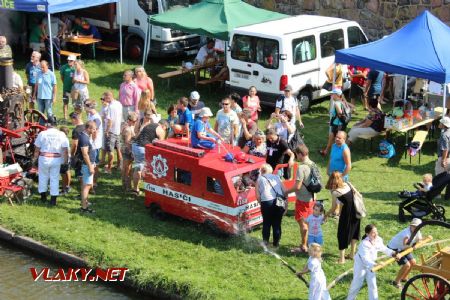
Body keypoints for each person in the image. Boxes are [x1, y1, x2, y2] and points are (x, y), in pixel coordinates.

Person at [347, 224, 399, 300]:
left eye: (376, 231)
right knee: (357, 284)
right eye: (373, 233)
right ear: (367, 234)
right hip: (360, 264)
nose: (376, 234)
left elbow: (383, 248)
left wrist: (393, 253)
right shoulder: (364, 244)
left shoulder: (378, 239)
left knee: (373, 284)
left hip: (371, 264)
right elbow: (365, 259)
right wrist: (376, 264)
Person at [325, 171, 360, 264]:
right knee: (354, 232)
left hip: (346, 215)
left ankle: (342, 259)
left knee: (342, 235)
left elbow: (333, 208)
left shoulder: (335, 192)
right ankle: (352, 254)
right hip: (356, 212)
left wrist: (326, 215)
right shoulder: (347, 184)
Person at [33, 116, 69, 206]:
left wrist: (34, 159)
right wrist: (65, 161)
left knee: (43, 177)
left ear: (47, 123)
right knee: (55, 178)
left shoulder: (42, 133)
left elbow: (37, 149)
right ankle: (53, 200)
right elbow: (65, 150)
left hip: (44, 157)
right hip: (56, 159)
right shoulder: (61, 134)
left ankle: (43, 197)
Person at [288, 144, 318, 253]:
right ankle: (310, 244)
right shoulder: (313, 164)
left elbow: (297, 186)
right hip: (312, 198)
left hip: (302, 200)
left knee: (303, 225)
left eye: (296, 155)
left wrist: (285, 192)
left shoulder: (301, 167)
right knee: (309, 223)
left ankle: (303, 246)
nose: (296, 157)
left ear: (300, 154)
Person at [255, 163, 288, 248]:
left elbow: (258, 196)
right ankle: (276, 244)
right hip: (279, 201)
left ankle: (265, 243)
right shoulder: (277, 177)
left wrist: (261, 204)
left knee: (266, 223)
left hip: (266, 202)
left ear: (262, 171)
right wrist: (286, 205)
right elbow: (285, 191)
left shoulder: (259, 179)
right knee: (277, 224)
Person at [132, 120, 168, 195]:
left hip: (135, 145)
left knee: (138, 167)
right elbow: (161, 145)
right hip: (142, 148)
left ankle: (136, 189)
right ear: (164, 126)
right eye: (166, 129)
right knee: (144, 168)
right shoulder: (161, 130)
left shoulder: (150, 125)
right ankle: (145, 189)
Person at [388, 218, 423, 288]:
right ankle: (396, 282)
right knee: (406, 265)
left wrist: (416, 244)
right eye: (414, 226)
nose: (415, 228)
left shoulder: (417, 232)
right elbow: (406, 244)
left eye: (417, 227)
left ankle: (404, 277)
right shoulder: (406, 233)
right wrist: (413, 247)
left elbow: (420, 240)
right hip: (394, 249)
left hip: (404, 248)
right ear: (410, 226)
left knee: (413, 262)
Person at [319, 88, 347, 156]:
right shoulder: (341, 102)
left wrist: (336, 118)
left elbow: (340, 113)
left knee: (338, 140)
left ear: (337, 95)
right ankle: (326, 151)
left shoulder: (336, 103)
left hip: (337, 125)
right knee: (332, 138)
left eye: (333, 94)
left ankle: (341, 153)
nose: (331, 95)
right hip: (339, 124)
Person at [79, 121, 97, 213]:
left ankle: (84, 202)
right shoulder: (84, 139)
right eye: (94, 129)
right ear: (88, 128)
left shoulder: (86, 136)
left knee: (85, 185)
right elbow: (85, 154)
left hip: (88, 164)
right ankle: (84, 207)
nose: (95, 130)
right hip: (87, 165)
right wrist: (90, 166)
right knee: (87, 186)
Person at [85, 100, 103, 191]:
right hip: (91, 143)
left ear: (88, 107)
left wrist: (92, 142)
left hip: (94, 145)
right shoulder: (90, 115)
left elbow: (95, 132)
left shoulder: (96, 118)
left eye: (85, 106)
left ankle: (94, 182)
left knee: (94, 164)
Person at [104, 91, 123, 173]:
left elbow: (110, 121)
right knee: (118, 149)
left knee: (110, 151)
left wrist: (107, 131)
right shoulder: (119, 103)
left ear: (108, 97)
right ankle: (119, 166)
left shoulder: (110, 107)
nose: (104, 100)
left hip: (111, 131)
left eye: (104, 98)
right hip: (118, 130)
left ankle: (109, 169)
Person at [121, 112, 138, 191]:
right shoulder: (128, 129)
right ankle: (127, 186)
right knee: (127, 169)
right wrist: (132, 152)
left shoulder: (129, 126)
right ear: (129, 120)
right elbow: (128, 142)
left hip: (126, 150)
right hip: (127, 150)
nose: (135, 122)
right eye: (134, 121)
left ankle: (124, 184)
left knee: (126, 168)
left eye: (136, 121)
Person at [70, 112, 84, 191]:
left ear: (75, 119)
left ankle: (82, 191)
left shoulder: (76, 130)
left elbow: (74, 145)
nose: (71, 122)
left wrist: (72, 154)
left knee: (80, 174)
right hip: (87, 152)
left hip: (79, 154)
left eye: (72, 120)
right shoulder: (86, 126)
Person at [59, 55, 76, 121]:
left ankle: (75, 117)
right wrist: (65, 84)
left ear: (74, 61)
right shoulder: (64, 67)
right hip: (66, 88)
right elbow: (62, 77)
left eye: (71, 60)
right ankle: (65, 117)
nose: (69, 61)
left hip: (74, 89)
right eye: (68, 60)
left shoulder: (75, 67)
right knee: (65, 102)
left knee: (74, 103)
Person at [58, 126, 71, 195]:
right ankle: (67, 186)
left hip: (63, 159)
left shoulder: (63, 140)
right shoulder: (66, 139)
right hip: (66, 158)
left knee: (63, 175)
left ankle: (64, 189)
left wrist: (65, 161)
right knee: (67, 172)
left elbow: (66, 151)